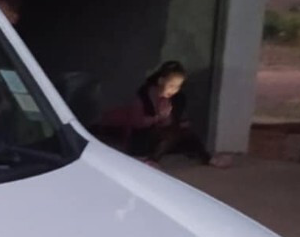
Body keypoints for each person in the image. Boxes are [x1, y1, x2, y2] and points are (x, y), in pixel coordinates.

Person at [99, 60, 231, 168]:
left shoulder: (177, 98)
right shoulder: (144, 95)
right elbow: (137, 123)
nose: (175, 90)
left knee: (185, 134)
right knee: (172, 134)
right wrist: (157, 118)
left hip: (165, 139)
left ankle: (208, 158)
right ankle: (152, 160)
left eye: (178, 86)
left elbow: (172, 124)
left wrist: (175, 120)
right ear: (161, 81)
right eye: (172, 85)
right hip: (142, 138)